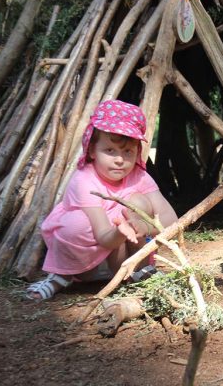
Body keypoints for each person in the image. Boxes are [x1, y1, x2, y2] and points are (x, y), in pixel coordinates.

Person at [26, 100, 178, 300]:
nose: (119, 159)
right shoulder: (83, 181)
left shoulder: (139, 176)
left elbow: (172, 220)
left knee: (139, 203)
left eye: (128, 152)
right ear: (91, 151)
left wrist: (144, 226)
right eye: (110, 151)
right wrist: (119, 231)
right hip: (87, 260)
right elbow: (103, 236)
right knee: (76, 223)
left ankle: (140, 271)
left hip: (121, 260)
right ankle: (61, 277)